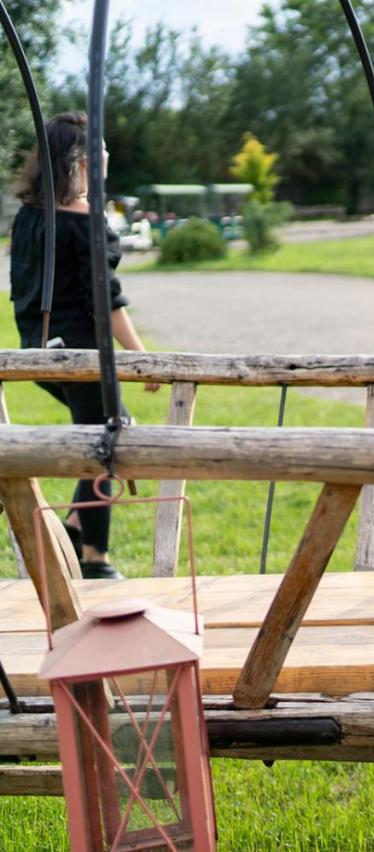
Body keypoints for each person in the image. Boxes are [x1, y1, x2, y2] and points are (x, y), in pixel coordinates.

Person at [8, 111, 159, 580]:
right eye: (101, 147)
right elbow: (106, 301)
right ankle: (95, 558)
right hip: (78, 353)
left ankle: (74, 527)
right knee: (106, 438)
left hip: (35, 350)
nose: (108, 154)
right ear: (80, 159)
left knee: (107, 430)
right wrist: (138, 356)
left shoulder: (31, 216)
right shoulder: (82, 219)